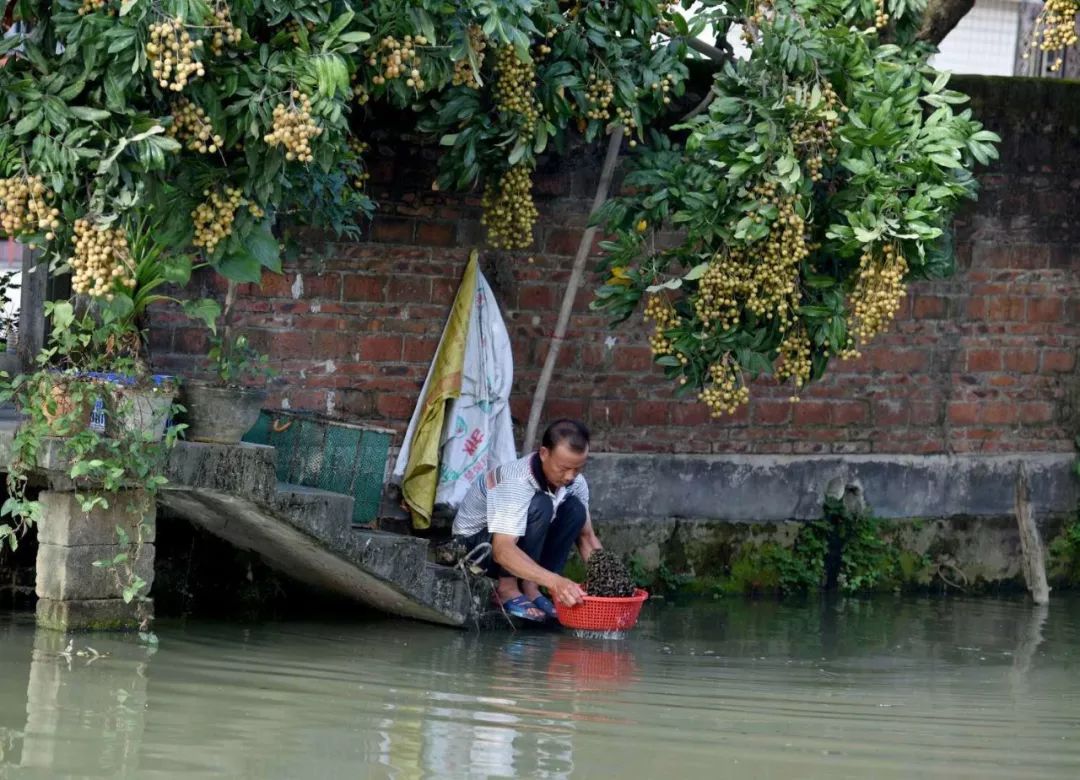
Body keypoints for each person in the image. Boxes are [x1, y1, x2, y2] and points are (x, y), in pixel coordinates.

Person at [452, 418, 602, 622]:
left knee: (576, 510)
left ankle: (531, 587)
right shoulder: (516, 480)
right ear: (544, 454)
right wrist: (556, 582)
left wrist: (609, 580)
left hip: (514, 548)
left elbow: (587, 537)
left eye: (577, 469)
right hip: (477, 548)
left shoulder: (576, 482)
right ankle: (507, 588)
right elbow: (502, 550)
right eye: (564, 468)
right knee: (541, 504)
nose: (570, 476)